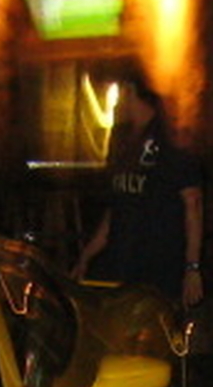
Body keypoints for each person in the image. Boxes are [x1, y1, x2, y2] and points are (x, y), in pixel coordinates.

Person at [74, 64, 205, 315]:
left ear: (129, 90)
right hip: (122, 262)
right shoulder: (122, 141)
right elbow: (117, 205)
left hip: (158, 267)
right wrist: (88, 255)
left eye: (116, 93)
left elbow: (193, 205)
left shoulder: (170, 140)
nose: (112, 104)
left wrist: (192, 268)